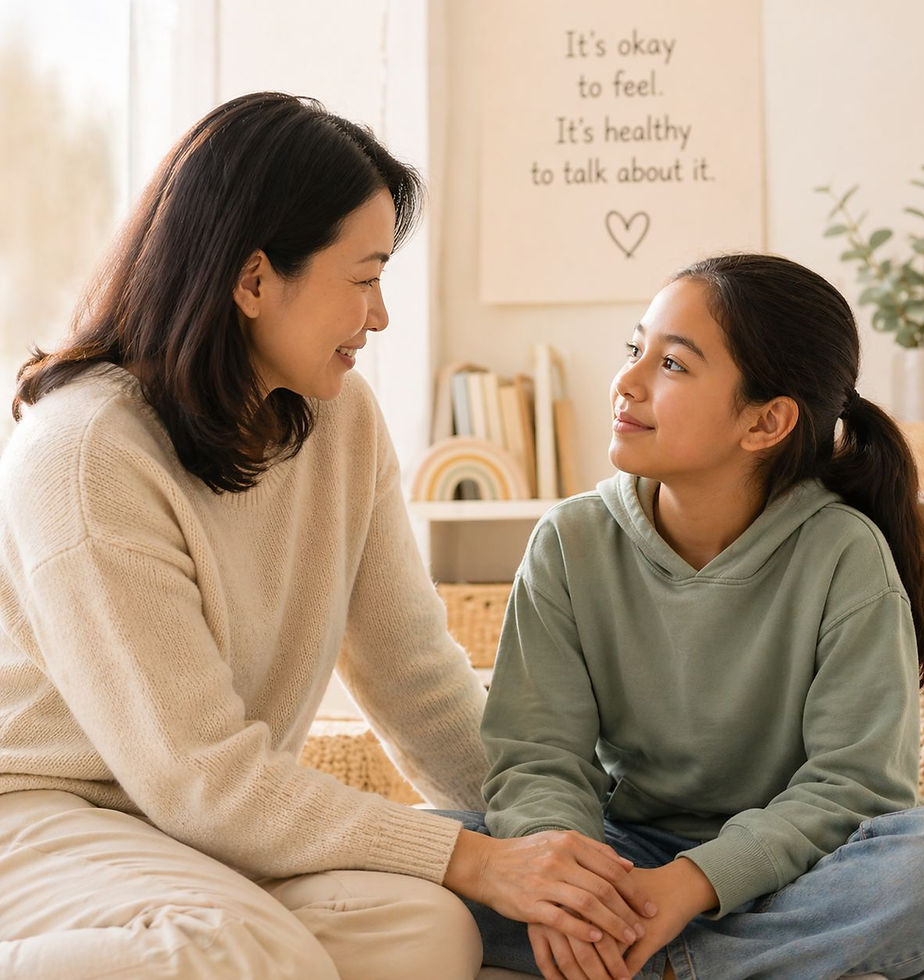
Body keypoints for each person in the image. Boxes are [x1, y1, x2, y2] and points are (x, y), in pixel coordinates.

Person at [0, 92, 652, 979]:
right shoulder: (84, 451)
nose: (379, 316)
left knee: (427, 932)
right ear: (255, 279)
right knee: (238, 949)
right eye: (363, 277)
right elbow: (197, 774)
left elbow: (416, 678)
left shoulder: (336, 421)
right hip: (44, 815)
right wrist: (480, 861)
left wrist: (569, 851)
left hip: (193, 835)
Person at [447, 254, 924, 980]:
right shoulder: (571, 541)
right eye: (635, 349)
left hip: (791, 873)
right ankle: (734, 962)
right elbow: (538, 756)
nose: (627, 382)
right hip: (620, 858)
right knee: (426, 851)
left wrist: (692, 884)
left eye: (671, 364)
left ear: (766, 421)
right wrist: (564, 884)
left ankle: (670, 964)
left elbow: (853, 788)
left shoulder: (842, 554)